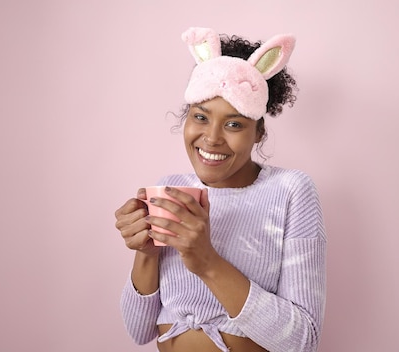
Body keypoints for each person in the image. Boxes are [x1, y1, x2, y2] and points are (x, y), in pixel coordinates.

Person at [114, 27, 326, 352]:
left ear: (258, 132)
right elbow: (139, 330)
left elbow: (302, 341)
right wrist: (147, 254)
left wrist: (207, 261)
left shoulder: (291, 191)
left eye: (234, 124)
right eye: (200, 117)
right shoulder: (172, 190)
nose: (212, 138)